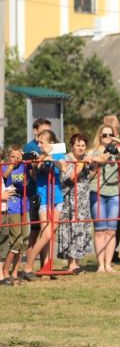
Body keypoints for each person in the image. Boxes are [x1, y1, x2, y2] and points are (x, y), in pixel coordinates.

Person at [89, 125, 120, 272]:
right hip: (97, 193)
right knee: (99, 230)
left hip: (114, 195)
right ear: (99, 136)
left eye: (110, 135)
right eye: (104, 135)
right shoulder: (93, 152)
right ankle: (100, 265)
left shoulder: (118, 151)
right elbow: (89, 176)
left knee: (111, 230)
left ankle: (108, 264)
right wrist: (99, 162)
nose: (107, 137)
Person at [20, 130, 67, 281]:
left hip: (57, 198)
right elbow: (36, 171)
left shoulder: (58, 154)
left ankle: (47, 266)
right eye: (38, 142)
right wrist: (42, 158)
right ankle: (27, 267)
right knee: (46, 234)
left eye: (42, 142)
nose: (39, 144)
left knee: (50, 235)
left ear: (51, 143)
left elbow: (64, 167)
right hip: (44, 199)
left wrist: (51, 157)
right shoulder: (38, 157)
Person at [58, 133, 95, 273]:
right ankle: (71, 264)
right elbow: (70, 178)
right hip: (70, 200)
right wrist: (81, 165)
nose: (81, 148)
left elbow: (88, 177)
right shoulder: (66, 159)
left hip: (83, 199)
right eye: (78, 145)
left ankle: (77, 263)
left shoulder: (84, 159)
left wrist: (95, 166)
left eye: (83, 145)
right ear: (72, 146)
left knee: (81, 230)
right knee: (72, 229)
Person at [23, 118, 52, 270]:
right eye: (42, 132)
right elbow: (30, 171)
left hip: (51, 193)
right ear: (35, 131)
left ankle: (46, 267)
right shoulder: (29, 147)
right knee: (35, 231)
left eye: (48, 132)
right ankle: (29, 267)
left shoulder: (53, 146)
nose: (45, 135)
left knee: (48, 231)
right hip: (35, 193)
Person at [1, 145, 30, 285]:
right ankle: (5, 271)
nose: (16, 159)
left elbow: (32, 176)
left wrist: (27, 159)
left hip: (24, 205)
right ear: (8, 157)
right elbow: (5, 175)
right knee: (16, 240)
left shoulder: (24, 166)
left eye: (18, 156)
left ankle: (15, 272)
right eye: (13, 156)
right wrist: (13, 164)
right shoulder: (6, 166)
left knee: (24, 241)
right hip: (12, 207)